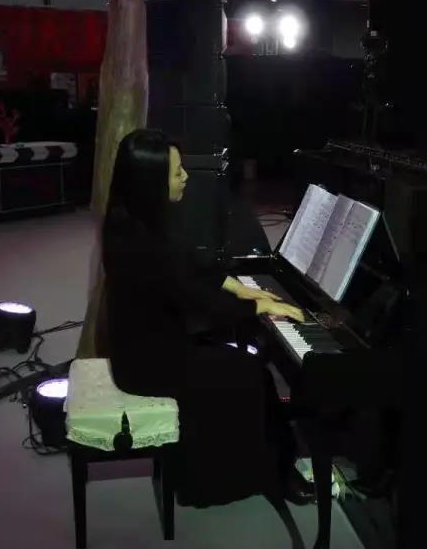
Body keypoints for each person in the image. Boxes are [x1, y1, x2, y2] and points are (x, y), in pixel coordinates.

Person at [102, 129, 315, 507]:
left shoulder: (133, 220)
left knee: (247, 367)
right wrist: (258, 307)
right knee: (250, 372)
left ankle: (272, 464)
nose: (185, 177)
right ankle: (267, 473)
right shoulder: (137, 241)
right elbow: (194, 298)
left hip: (149, 345)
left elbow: (186, 260)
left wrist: (237, 287)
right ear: (151, 183)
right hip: (147, 364)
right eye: (176, 172)